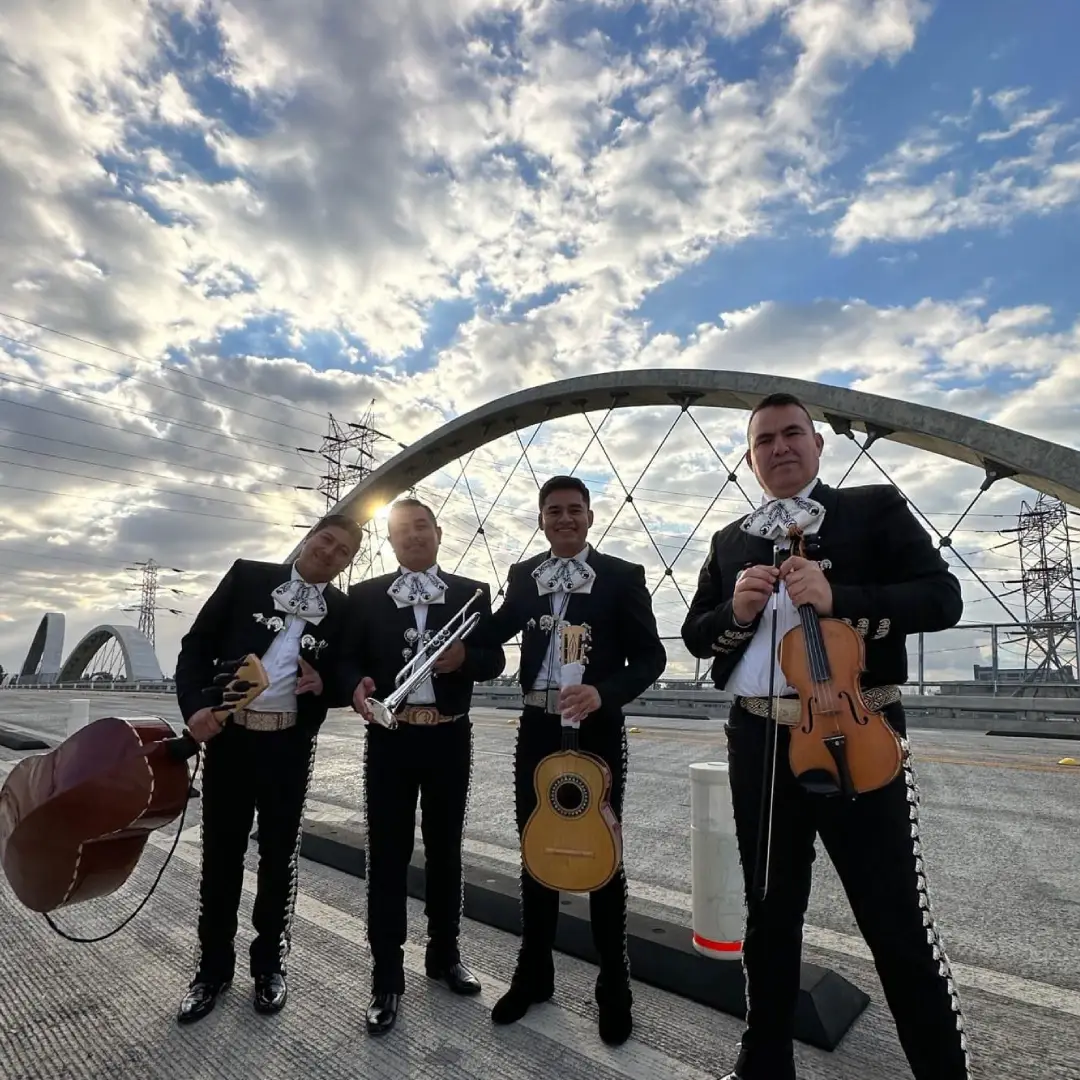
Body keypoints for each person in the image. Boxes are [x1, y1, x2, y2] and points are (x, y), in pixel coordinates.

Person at [680, 392, 969, 1080]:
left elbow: (943, 598)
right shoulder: (731, 541)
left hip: (857, 733)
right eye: (763, 442)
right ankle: (764, 1067)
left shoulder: (871, 509)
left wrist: (843, 600)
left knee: (894, 920)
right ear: (749, 458)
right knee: (769, 916)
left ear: (817, 444)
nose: (779, 449)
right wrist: (737, 609)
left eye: (791, 435)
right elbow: (696, 634)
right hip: (759, 740)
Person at [473, 475, 667, 1046]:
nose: (564, 518)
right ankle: (534, 976)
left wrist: (605, 691)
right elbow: (492, 631)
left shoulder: (621, 577)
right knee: (537, 849)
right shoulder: (523, 578)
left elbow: (651, 656)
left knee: (603, 857)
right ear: (541, 520)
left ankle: (614, 988)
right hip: (536, 725)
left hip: (598, 729)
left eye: (573, 510)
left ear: (589, 516)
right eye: (553, 511)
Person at [172, 513, 362, 1025]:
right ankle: (211, 970)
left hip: (288, 744)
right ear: (309, 538)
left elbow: (348, 672)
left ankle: (269, 964)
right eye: (326, 540)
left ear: (348, 563)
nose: (330, 553)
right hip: (232, 738)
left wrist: (327, 686)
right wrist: (194, 711)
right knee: (221, 856)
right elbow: (195, 647)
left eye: (343, 551)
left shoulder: (343, 610)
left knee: (279, 860)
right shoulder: (249, 576)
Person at [342, 497, 506, 1036]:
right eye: (401, 531)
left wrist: (467, 659)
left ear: (438, 533)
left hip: (448, 736)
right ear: (390, 541)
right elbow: (347, 657)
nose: (413, 537)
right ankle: (386, 975)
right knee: (386, 854)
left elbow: (497, 658)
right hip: (389, 736)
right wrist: (354, 685)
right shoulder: (364, 596)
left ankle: (444, 955)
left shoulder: (470, 592)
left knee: (445, 850)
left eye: (421, 527)